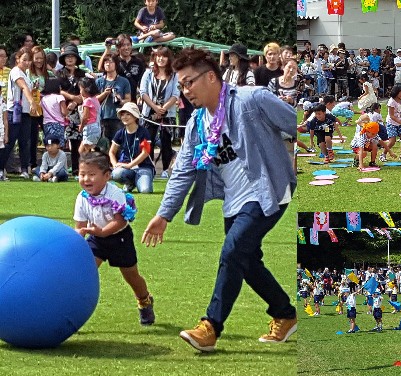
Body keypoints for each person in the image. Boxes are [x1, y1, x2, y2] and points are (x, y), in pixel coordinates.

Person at [141, 47, 297, 352]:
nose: (185, 91)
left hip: (268, 192)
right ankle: (284, 313)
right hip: (233, 201)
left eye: (189, 82)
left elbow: (293, 122)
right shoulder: (196, 124)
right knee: (247, 261)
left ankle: (211, 326)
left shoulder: (252, 99)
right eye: (181, 85)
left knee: (233, 250)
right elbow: (183, 171)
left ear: (211, 76)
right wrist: (164, 215)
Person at [74, 151, 155, 326]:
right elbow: (79, 226)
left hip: (120, 239)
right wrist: (79, 236)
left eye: (92, 174)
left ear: (107, 176)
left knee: (131, 276)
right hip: (96, 239)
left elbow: (119, 221)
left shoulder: (115, 193)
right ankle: (73, 310)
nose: (86, 179)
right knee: (84, 272)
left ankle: (144, 300)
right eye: (82, 174)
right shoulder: (81, 198)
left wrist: (102, 231)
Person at [139, 46, 180, 178]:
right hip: (149, 112)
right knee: (147, 140)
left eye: (164, 56)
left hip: (167, 113)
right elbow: (143, 92)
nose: (161, 59)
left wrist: (164, 108)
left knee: (165, 141)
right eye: (158, 56)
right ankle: (149, 167)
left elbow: (176, 93)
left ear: (169, 59)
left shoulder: (174, 75)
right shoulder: (148, 73)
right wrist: (155, 107)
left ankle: (165, 169)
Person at [0, 48, 34, 181]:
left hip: (25, 112)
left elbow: (29, 87)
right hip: (14, 111)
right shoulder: (15, 71)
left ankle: (24, 169)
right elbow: (23, 87)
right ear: (18, 59)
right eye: (24, 59)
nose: (26, 62)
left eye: (28, 60)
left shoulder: (26, 73)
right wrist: (33, 103)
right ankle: (1, 168)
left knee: (24, 142)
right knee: (9, 141)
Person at [109, 102, 154, 193]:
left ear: (135, 116)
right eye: (122, 114)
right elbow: (111, 152)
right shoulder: (120, 133)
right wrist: (115, 165)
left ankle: (142, 180)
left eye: (128, 114)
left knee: (145, 190)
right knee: (116, 173)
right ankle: (130, 183)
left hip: (143, 167)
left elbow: (145, 153)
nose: (124, 117)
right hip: (126, 168)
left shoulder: (143, 132)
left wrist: (130, 165)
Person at [56, 44, 86, 176]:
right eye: (67, 56)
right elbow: (58, 90)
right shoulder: (59, 73)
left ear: (76, 58)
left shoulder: (82, 73)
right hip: (63, 109)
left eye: (72, 56)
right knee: (66, 141)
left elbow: (86, 91)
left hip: (79, 110)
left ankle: (79, 169)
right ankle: (66, 169)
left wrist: (75, 101)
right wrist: (71, 98)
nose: (69, 59)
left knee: (80, 141)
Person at [98, 35, 145, 104]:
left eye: (128, 45)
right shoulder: (114, 60)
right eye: (123, 45)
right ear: (118, 47)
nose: (126, 48)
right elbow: (100, 68)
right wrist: (107, 49)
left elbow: (142, 82)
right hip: (115, 100)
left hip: (132, 101)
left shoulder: (138, 62)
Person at [96, 52, 132, 141]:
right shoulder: (99, 81)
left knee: (117, 144)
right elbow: (94, 100)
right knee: (102, 146)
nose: (108, 64)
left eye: (111, 62)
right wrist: (104, 94)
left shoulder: (124, 81)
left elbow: (129, 99)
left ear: (116, 64)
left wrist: (121, 100)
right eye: (106, 62)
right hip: (102, 117)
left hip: (118, 117)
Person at [77, 77, 102, 155]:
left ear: (86, 89)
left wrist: (81, 127)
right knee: (82, 150)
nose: (80, 92)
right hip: (96, 125)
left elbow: (85, 117)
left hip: (90, 127)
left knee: (88, 152)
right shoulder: (94, 99)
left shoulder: (87, 101)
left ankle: (93, 165)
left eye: (81, 89)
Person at [383, 84, 401, 160]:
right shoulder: (391, 102)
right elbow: (391, 115)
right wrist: (400, 122)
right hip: (392, 123)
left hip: (400, 122)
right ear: (396, 92)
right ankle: (383, 154)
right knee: (392, 141)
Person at [40, 78, 68, 147]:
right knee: (58, 145)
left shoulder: (44, 98)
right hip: (58, 124)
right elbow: (64, 112)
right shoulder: (59, 97)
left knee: (49, 144)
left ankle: (49, 157)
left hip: (46, 124)